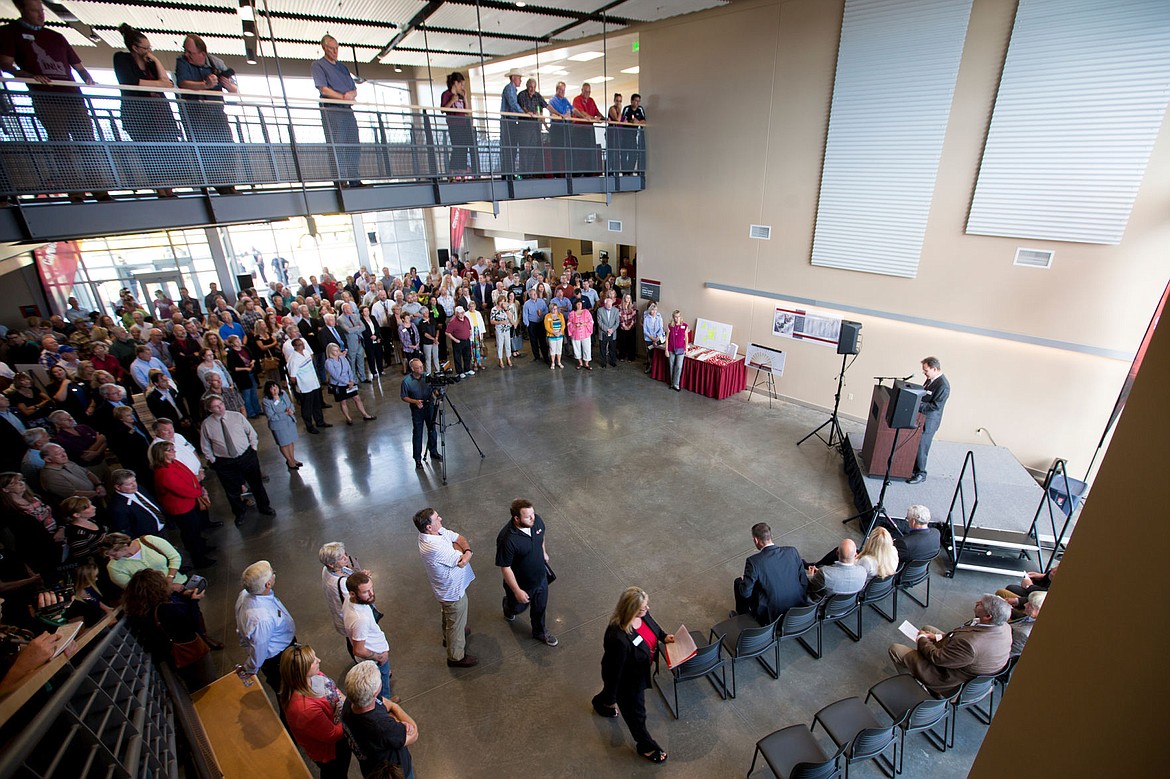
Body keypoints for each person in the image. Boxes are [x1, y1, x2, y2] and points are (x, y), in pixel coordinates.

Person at [0, 0, 106, 202]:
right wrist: (27, 75)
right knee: (61, 144)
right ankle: (75, 191)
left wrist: (87, 78)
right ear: (22, 10)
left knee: (87, 141)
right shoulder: (9, 32)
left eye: (42, 10)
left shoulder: (56, 36)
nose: (41, 15)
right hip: (47, 98)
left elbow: (78, 66)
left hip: (73, 98)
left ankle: (99, 188)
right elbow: (6, 63)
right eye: (34, 11)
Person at [592, 587, 674, 764]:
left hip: (640, 670)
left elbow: (653, 627)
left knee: (610, 695)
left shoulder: (642, 616)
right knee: (637, 715)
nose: (648, 610)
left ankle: (601, 702)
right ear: (631, 610)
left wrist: (663, 636)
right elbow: (612, 670)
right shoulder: (618, 636)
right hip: (629, 682)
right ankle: (646, 746)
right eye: (643, 608)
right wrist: (616, 694)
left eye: (646, 606)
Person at [888, 594, 1013, 698]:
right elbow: (961, 634)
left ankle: (914, 685)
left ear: (987, 616)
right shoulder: (1004, 627)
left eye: (981, 604)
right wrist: (935, 637)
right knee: (928, 628)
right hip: (961, 661)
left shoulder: (970, 645)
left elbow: (936, 658)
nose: (977, 602)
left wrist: (922, 639)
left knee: (896, 649)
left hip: (948, 678)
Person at [113, 28, 179, 195]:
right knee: (149, 154)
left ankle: (168, 191)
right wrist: (160, 84)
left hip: (161, 116)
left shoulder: (150, 63)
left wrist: (155, 60)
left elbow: (168, 83)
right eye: (146, 48)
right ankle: (160, 191)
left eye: (150, 48)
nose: (149, 51)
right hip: (139, 116)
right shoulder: (122, 59)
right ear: (135, 48)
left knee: (167, 153)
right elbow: (132, 82)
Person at [413, 507, 477, 667]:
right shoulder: (433, 547)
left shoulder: (433, 532)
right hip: (452, 591)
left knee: (449, 616)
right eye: (436, 518)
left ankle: (447, 637)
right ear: (428, 526)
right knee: (456, 621)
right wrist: (466, 552)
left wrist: (466, 550)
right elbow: (461, 560)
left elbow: (458, 538)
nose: (440, 519)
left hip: (447, 589)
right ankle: (455, 657)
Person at [175, 34, 238, 195]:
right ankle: (221, 187)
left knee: (226, 148)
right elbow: (183, 83)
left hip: (216, 112)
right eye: (186, 51)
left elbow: (234, 89)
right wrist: (205, 84)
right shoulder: (182, 63)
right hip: (196, 115)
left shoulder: (216, 64)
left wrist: (227, 84)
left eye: (190, 52)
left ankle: (229, 185)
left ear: (202, 54)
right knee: (206, 151)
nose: (187, 55)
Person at [199, 395, 276, 526]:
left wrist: (253, 448)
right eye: (216, 406)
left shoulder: (236, 416)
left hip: (246, 456)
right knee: (232, 491)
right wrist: (213, 460)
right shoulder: (207, 424)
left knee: (256, 483)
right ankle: (240, 513)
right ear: (210, 409)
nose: (220, 407)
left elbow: (251, 433)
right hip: (225, 462)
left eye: (221, 404)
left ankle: (264, 506)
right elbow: (205, 445)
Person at [279, 644, 352, 779]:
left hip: (340, 727)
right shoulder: (304, 709)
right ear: (302, 670)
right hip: (331, 750)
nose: (319, 660)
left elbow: (334, 690)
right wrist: (353, 715)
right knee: (337, 773)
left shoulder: (314, 676)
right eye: (313, 661)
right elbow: (332, 735)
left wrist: (347, 703)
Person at [496, 498, 558, 647]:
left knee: (540, 607)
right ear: (516, 518)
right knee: (518, 608)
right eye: (528, 516)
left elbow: (541, 535)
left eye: (533, 514)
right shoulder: (507, 539)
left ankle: (540, 632)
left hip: (540, 577)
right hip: (521, 584)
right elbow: (505, 567)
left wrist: (543, 552)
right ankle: (508, 605)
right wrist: (517, 591)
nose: (533, 518)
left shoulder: (536, 521)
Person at [341, 661, 418, 779]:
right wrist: (396, 709)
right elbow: (414, 733)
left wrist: (392, 710)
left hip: (370, 768)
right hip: (393, 773)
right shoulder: (382, 726)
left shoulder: (349, 703)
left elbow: (385, 703)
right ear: (375, 692)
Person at [149, 442, 216, 568]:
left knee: (196, 529)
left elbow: (189, 475)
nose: (174, 451)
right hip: (180, 507)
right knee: (190, 533)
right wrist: (198, 492)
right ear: (161, 454)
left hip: (189, 502)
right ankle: (199, 559)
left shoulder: (174, 463)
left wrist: (198, 486)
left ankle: (202, 547)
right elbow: (180, 489)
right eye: (170, 450)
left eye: (173, 449)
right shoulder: (164, 472)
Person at [235, 559, 297, 691]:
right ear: (268, 584)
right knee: (286, 690)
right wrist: (250, 668)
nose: (274, 573)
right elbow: (259, 649)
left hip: (282, 646)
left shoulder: (245, 594)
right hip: (279, 657)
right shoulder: (262, 619)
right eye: (272, 573)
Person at [732, 523, 808, 624]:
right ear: (771, 536)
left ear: (756, 540)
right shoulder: (792, 551)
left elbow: (746, 593)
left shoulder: (754, 561)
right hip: (798, 605)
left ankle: (744, 619)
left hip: (772, 614)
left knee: (739, 582)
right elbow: (803, 581)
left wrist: (745, 580)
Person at [312, 35, 361, 187]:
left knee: (353, 144)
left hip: (347, 110)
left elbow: (353, 89)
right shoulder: (318, 65)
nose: (335, 51)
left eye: (336, 48)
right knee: (337, 145)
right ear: (324, 48)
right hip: (332, 110)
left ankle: (354, 179)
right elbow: (324, 89)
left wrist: (350, 96)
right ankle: (340, 180)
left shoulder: (343, 67)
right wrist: (342, 97)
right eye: (331, 48)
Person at [343, 572, 393, 701]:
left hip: (375, 653)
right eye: (366, 592)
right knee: (381, 688)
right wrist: (380, 657)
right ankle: (387, 706)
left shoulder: (349, 601)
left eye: (371, 588)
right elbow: (358, 650)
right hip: (375, 659)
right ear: (353, 593)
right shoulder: (361, 619)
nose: (372, 593)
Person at [908, 356, 950, 484]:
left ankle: (921, 473)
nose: (924, 373)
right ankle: (912, 468)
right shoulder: (930, 380)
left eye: (926, 370)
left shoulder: (943, 386)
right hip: (922, 418)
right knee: (917, 444)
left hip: (930, 421)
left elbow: (935, 406)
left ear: (935, 369)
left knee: (922, 446)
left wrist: (917, 405)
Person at [100, 531, 185, 590]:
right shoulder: (113, 567)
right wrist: (169, 588)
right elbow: (134, 588)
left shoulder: (149, 540)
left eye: (113, 554)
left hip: (181, 582)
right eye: (108, 555)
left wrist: (170, 579)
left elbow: (174, 557)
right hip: (158, 597)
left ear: (124, 546)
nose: (110, 558)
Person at [324, 343, 375, 425]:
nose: (337, 352)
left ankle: (365, 415)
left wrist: (351, 380)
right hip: (339, 384)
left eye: (338, 350)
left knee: (357, 398)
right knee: (343, 402)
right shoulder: (328, 362)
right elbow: (335, 375)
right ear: (330, 351)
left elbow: (349, 369)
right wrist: (346, 382)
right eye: (335, 350)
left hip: (349, 382)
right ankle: (348, 418)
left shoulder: (342, 358)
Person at [287, 338, 328, 434]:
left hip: (314, 383)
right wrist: (300, 383)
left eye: (303, 344)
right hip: (305, 387)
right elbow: (292, 377)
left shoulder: (306, 352)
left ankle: (320, 421)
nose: (303, 346)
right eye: (300, 344)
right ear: (295, 347)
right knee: (307, 408)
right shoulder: (293, 359)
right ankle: (309, 426)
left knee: (317, 404)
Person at [261, 380, 301, 471]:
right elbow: (270, 416)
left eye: (276, 387)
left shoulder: (283, 393)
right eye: (272, 388)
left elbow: (290, 404)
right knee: (284, 443)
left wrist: (291, 410)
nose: (275, 389)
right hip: (278, 425)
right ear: (268, 390)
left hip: (289, 421)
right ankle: (289, 460)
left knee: (290, 441)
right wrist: (285, 414)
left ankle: (293, 458)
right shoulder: (266, 401)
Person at [440, 71, 475, 177]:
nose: (462, 87)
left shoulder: (460, 95)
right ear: (455, 83)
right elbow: (442, 109)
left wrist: (465, 97)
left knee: (464, 147)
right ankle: (452, 172)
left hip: (463, 124)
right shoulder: (446, 94)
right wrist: (452, 101)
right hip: (454, 124)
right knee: (457, 147)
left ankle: (463, 172)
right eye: (461, 84)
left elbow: (467, 111)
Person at [517, 77, 548, 174]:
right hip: (524, 127)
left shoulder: (537, 96)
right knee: (524, 151)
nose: (532, 89)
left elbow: (546, 106)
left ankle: (530, 172)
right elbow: (524, 108)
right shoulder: (522, 95)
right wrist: (530, 113)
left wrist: (546, 125)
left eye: (534, 87)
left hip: (535, 127)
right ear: (527, 86)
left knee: (532, 151)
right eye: (530, 87)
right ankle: (524, 173)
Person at [226, 335, 261, 418]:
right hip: (242, 377)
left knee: (254, 394)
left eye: (239, 339)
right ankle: (251, 412)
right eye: (236, 341)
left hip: (251, 373)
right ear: (232, 344)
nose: (239, 342)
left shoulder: (245, 348)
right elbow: (233, 368)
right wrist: (245, 369)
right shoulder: (231, 354)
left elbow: (253, 357)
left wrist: (252, 362)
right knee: (247, 395)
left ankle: (258, 410)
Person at [499, 71, 524, 177]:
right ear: (513, 78)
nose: (520, 80)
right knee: (509, 148)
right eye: (519, 78)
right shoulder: (509, 89)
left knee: (512, 149)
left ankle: (510, 173)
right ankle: (507, 174)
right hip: (508, 121)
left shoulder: (513, 90)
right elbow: (513, 104)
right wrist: (524, 114)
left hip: (512, 121)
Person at [1009, 591, 1045, 657]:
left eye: (1030, 605)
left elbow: (1012, 654)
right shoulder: (1032, 617)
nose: (1025, 604)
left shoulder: (1023, 633)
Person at [620, 93, 647, 173]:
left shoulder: (640, 109)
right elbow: (622, 120)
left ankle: (630, 170)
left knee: (633, 154)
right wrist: (630, 121)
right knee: (624, 153)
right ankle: (625, 171)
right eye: (635, 101)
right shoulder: (627, 109)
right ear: (632, 101)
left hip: (634, 135)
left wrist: (638, 121)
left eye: (638, 101)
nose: (637, 103)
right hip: (625, 135)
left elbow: (644, 120)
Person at [445, 306, 474, 378]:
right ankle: (460, 372)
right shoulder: (453, 322)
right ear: (457, 313)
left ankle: (467, 369)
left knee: (468, 355)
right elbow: (447, 332)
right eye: (460, 313)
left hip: (466, 340)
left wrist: (470, 334)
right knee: (457, 357)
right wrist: (455, 339)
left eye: (463, 312)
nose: (462, 314)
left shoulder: (466, 318)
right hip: (458, 341)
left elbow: (469, 327)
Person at [523, 289, 550, 364]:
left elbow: (546, 311)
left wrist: (542, 313)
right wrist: (527, 324)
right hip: (532, 324)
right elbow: (525, 315)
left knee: (543, 341)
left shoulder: (541, 302)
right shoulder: (527, 304)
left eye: (534, 294)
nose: (533, 296)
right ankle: (537, 357)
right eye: (531, 294)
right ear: (529, 295)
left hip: (540, 323)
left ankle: (546, 357)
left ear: (536, 294)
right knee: (533, 341)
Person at [567, 299, 594, 370]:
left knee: (587, 348)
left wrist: (584, 323)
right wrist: (575, 325)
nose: (579, 305)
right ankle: (580, 362)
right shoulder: (572, 313)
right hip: (576, 334)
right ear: (575, 305)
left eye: (580, 304)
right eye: (578, 304)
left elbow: (591, 321)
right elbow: (569, 323)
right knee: (576, 348)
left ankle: (586, 363)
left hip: (585, 333)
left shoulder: (586, 312)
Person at [665, 309, 688, 391]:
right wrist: (666, 350)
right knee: (671, 366)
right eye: (675, 317)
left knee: (678, 366)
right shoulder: (670, 326)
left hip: (681, 350)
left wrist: (686, 349)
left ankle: (676, 384)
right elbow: (666, 338)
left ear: (680, 317)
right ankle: (671, 383)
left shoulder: (684, 326)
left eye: (678, 316)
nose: (677, 318)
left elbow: (686, 338)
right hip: (671, 349)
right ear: (673, 317)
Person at [489, 296, 515, 369]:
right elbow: (491, 321)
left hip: (507, 329)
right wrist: (500, 322)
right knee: (500, 345)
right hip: (499, 329)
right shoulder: (494, 309)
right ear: (498, 301)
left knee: (508, 344)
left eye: (503, 301)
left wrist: (506, 309)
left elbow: (510, 317)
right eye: (501, 301)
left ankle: (508, 358)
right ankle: (500, 360)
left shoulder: (507, 308)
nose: (502, 303)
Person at [596, 296, 620, 368]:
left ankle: (613, 361)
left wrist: (612, 329)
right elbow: (599, 322)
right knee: (602, 348)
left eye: (611, 304)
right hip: (603, 332)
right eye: (608, 304)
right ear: (605, 304)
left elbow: (617, 322)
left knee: (612, 348)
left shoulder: (616, 310)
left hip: (613, 332)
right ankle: (603, 362)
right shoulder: (600, 310)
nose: (609, 306)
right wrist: (607, 329)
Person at [642, 301, 664, 374]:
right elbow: (645, 330)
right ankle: (649, 367)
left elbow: (661, 328)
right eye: (652, 310)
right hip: (649, 339)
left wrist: (657, 338)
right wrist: (652, 338)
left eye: (655, 310)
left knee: (656, 354)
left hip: (657, 339)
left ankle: (655, 369)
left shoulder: (659, 318)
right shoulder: (646, 318)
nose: (654, 311)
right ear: (649, 310)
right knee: (650, 353)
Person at [544, 302, 566, 370]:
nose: (555, 310)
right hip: (551, 336)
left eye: (556, 309)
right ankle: (553, 362)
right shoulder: (547, 316)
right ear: (550, 309)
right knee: (552, 349)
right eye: (553, 309)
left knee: (559, 349)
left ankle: (559, 362)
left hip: (560, 335)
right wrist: (553, 332)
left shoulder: (560, 315)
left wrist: (560, 331)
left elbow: (563, 324)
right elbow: (547, 327)